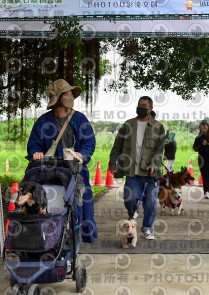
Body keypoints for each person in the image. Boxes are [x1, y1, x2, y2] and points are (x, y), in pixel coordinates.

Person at [26, 79, 98, 242]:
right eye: (66, 94)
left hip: (75, 172)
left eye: (71, 94)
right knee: (50, 206)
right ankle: (49, 240)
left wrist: (82, 155)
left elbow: (89, 143)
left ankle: (74, 244)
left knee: (78, 208)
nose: (71, 97)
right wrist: (36, 153)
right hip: (49, 173)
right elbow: (34, 144)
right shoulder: (43, 121)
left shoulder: (79, 119)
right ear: (57, 98)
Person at [109, 96, 166, 240]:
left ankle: (147, 228)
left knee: (151, 202)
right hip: (132, 172)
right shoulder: (128, 125)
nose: (141, 107)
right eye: (139, 105)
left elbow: (160, 150)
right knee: (130, 199)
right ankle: (132, 221)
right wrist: (113, 163)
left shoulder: (158, 127)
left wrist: (154, 165)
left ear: (151, 108)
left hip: (150, 173)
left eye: (144, 106)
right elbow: (117, 146)